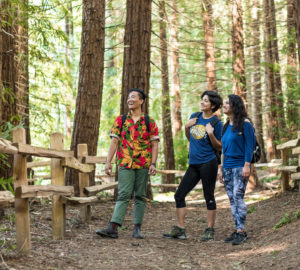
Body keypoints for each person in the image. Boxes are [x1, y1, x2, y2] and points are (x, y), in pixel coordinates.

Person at [96, 88, 159, 239]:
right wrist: (108, 162)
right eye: (128, 97)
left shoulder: (149, 121)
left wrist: (154, 163)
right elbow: (114, 141)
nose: (129, 99)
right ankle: (113, 227)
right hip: (125, 163)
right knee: (123, 194)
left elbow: (155, 144)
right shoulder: (121, 120)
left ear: (141, 101)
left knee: (140, 196)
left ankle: (137, 228)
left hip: (143, 163)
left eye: (133, 97)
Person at [163, 90, 223, 241]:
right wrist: (186, 127)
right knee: (179, 194)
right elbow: (191, 139)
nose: (202, 102)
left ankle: (210, 229)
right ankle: (180, 229)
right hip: (194, 163)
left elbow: (220, 147)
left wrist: (210, 134)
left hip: (209, 163)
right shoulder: (195, 117)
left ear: (213, 105)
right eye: (202, 100)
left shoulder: (217, 123)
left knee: (208, 195)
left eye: (206, 101)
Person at [218, 94, 255, 245]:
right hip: (227, 167)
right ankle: (238, 228)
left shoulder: (245, 124)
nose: (224, 105)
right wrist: (220, 169)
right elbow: (223, 151)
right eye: (224, 103)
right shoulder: (226, 126)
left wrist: (247, 165)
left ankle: (242, 231)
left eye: (227, 103)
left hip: (241, 165)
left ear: (235, 105)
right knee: (232, 199)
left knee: (237, 196)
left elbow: (249, 146)